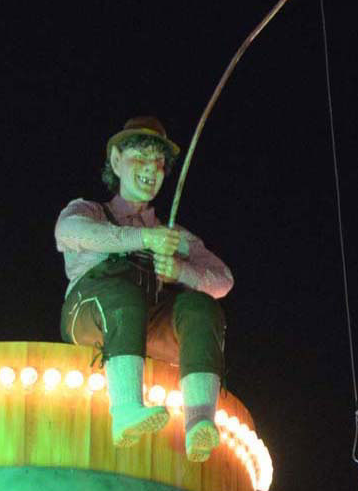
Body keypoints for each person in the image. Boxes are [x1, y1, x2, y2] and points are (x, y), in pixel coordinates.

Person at [55, 116, 233, 459]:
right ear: (117, 161)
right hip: (91, 315)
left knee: (200, 306)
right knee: (124, 294)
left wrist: (181, 270)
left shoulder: (174, 236)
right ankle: (125, 410)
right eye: (140, 158)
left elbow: (223, 280)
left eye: (159, 163)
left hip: (147, 324)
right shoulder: (89, 210)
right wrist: (144, 238)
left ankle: (199, 421)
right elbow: (70, 232)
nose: (151, 169)